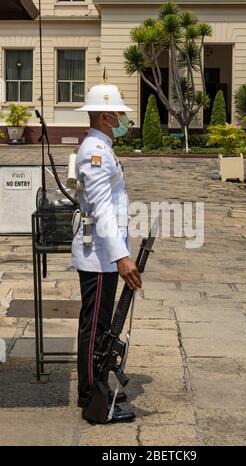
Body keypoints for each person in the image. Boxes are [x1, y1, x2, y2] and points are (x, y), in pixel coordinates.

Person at [70, 83, 142, 424]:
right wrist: (121, 257)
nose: (123, 120)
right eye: (119, 114)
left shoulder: (101, 147)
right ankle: (92, 400)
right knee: (96, 328)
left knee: (100, 328)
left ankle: (95, 386)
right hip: (100, 256)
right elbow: (100, 207)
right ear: (104, 115)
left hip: (104, 254)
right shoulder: (95, 151)